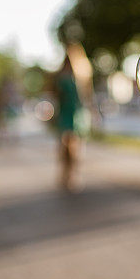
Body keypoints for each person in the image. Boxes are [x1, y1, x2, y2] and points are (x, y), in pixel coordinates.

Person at [53, 45, 92, 193]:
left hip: (77, 114)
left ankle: (73, 174)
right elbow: (56, 95)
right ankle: (66, 173)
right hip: (66, 113)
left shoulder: (82, 76)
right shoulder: (62, 77)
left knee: (75, 147)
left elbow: (86, 97)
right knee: (65, 146)